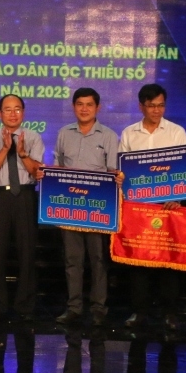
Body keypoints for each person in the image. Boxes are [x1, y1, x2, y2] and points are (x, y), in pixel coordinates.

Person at [118, 83, 186, 330]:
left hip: (168, 205)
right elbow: (123, 171)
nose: (157, 110)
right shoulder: (129, 133)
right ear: (141, 106)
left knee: (168, 259)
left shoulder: (176, 132)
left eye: (161, 105)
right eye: (151, 106)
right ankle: (139, 312)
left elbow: (184, 168)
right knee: (138, 260)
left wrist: (177, 197)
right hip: (138, 206)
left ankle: (170, 313)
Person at [51, 87, 120, 326]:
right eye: (80, 104)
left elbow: (113, 171)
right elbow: (58, 167)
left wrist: (117, 178)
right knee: (73, 260)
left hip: (98, 209)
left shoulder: (109, 136)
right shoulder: (64, 133)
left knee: (98, 259)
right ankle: (74, 307)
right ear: (73, 107)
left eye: (89, 104)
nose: (84, 109)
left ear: (97, 108)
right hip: (70, 208)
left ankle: (99, 308)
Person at [0, 94, 44, 322]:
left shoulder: (34, 137)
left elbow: (36, 171)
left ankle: (25, 305)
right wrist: (5, 148)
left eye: (17, 109)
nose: (12, 113)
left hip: (25, 195)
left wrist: (22, 153)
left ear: (23, 113)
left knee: (26, 252)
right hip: (0, 196)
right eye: (7, 109)